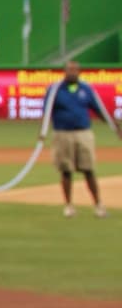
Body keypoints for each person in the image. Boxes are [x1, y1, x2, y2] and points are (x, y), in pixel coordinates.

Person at [44, 60, 119, 217]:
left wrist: (114, 126)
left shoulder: (86, 89)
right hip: (63, 133)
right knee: (66, 170)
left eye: (75, 70)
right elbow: (46, 112)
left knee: (89, 169)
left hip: (83, 133)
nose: (72, 73)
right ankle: (69, 205)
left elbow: (100, 110)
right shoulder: (55, 90)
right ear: (64, 71)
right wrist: (43, 132)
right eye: (69, 70)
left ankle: (98, 204)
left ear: (79, 72)